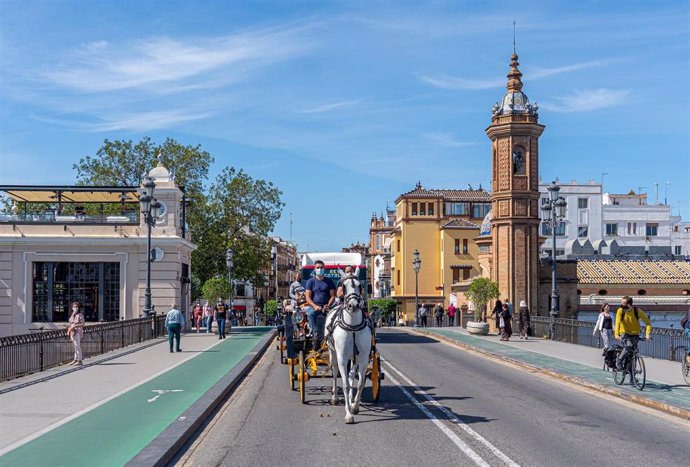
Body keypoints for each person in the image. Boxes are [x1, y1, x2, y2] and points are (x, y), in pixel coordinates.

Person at [304, 260, 335, 349]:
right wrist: (315, 306)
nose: (319, 269)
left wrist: (328, 305)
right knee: (311, 314)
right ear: (314, 269)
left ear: (324, 268)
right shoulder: (310, 282)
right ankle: (315, 335)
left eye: (321, 267)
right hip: (314, 306)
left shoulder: (329, 282)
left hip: (326, 306)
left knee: (334, 317)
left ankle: (331, 335)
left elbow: (333, 296)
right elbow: (308, 297)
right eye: (318, 267)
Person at [614, 296, 651, 371]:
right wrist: (616, 335)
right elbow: (617, 323)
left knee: (634, 354)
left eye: (623, 304)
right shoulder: (620, 310)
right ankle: (619, 361)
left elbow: (648, 323)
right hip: (624, 332)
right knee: (628, 346)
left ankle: (632, 376)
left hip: (635, 333)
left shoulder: (637, 311)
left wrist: (647, 334)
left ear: (629, 305)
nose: (621, 306)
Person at [67, 301, 85, 365]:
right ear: (72, 308)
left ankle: (79, 360)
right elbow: (70, 322)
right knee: (75, 346)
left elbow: (83, 324)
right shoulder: (72, 314)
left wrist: (76, 325)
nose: (75, 308)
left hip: (77, 331)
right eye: (74, 307)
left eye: (76, 307)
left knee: (77, 346)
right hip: (72, 331)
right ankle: (75, 359)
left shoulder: (80, 315)